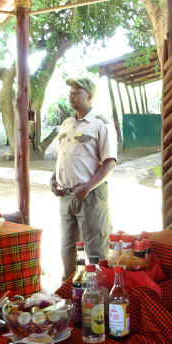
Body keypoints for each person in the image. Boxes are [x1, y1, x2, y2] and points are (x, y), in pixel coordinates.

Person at [50, 76, 117, 279]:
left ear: (89, 97)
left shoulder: (100, 124)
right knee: (67, 249)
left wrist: (87, 187)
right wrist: (54, 179)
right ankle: (68, 298)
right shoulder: (67, 124)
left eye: (76, 92)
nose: (71, 96)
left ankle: (102, 303)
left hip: (91, 196)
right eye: (70, 92)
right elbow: (62, 157)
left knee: (96, 252)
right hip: (66, 196)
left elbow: (110, 162)